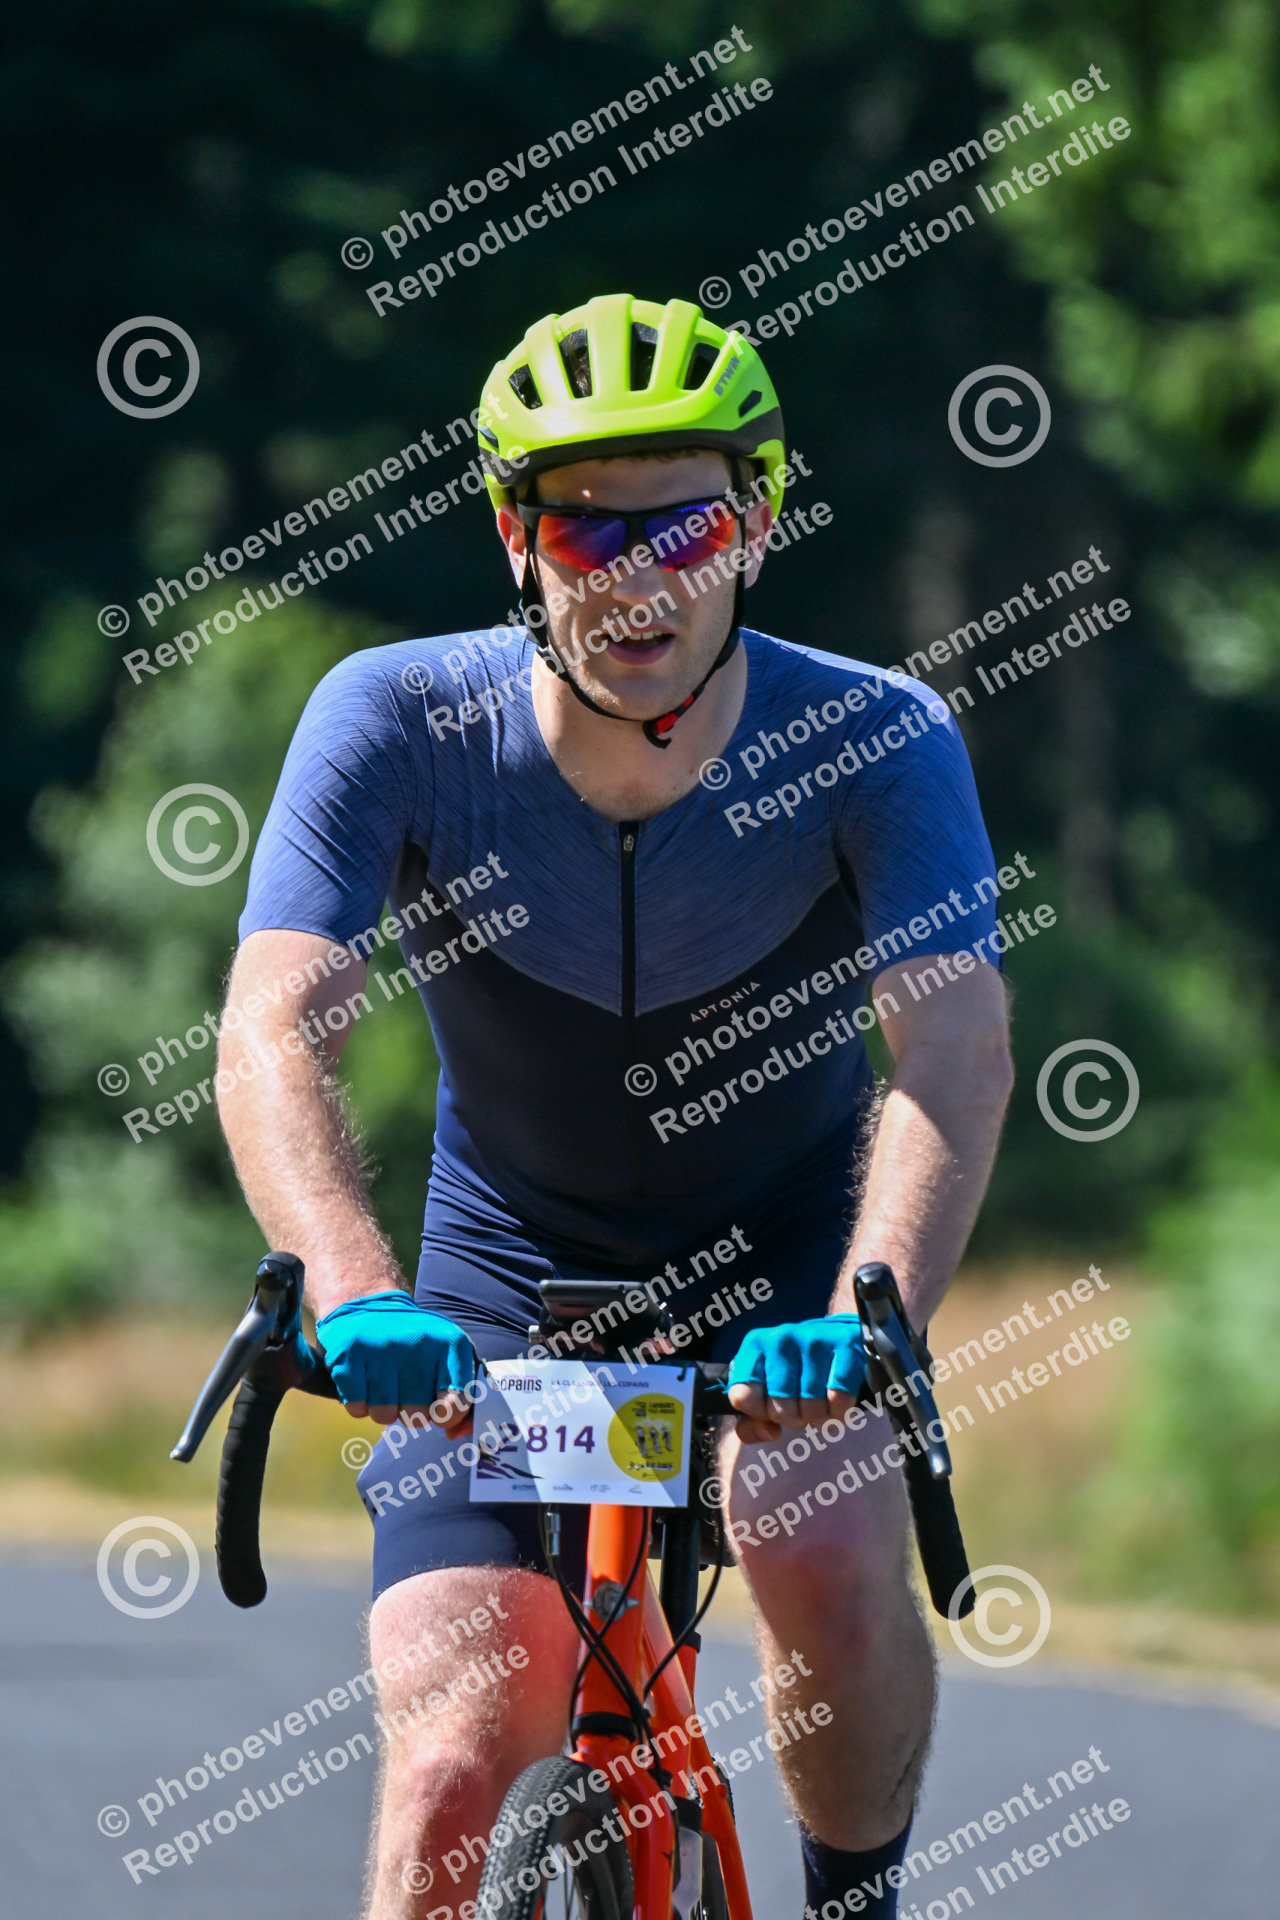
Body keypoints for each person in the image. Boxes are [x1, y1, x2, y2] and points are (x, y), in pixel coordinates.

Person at [217, 293, 1014, 1920]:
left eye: (685, 525)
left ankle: (852, 1900)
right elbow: (272, 1029)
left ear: (759, 525)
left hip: (789, 1271)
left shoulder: (874, 738)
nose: (636, 576)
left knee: (815, 1541)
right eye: (586, 529)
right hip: (497, 1275)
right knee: (454, 1757)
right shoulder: (396, 720)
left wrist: (871, 1308)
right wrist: (356, 1295)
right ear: (518, 539)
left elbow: (954, 1048)